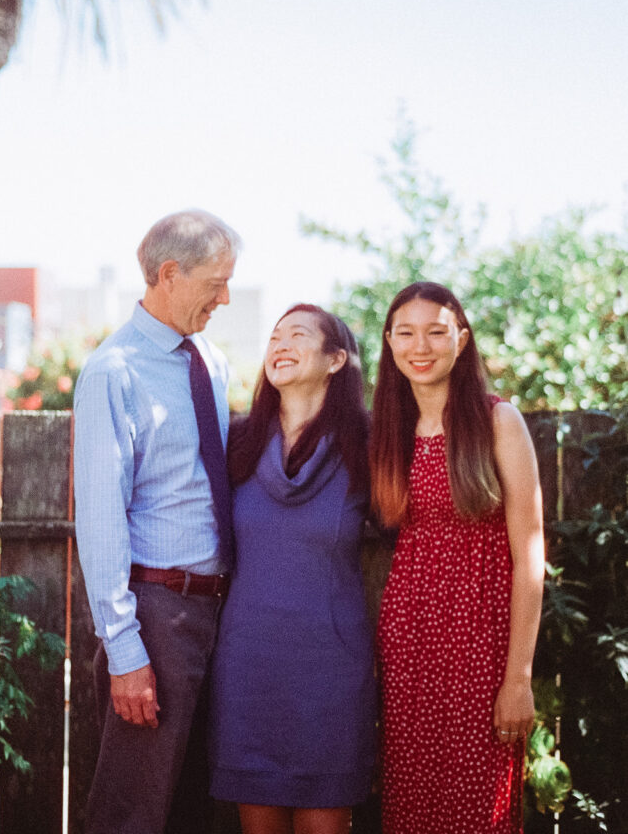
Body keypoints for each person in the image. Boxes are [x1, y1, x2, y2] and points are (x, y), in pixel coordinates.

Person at [73, 208, 241, 834]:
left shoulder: (211, 363)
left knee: (196, 810)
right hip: (156, 614)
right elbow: (99, 519)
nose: (225, 297)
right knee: (132, 814)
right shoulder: (113, 373)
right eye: (215, 283)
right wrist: (125, 651)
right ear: (169, 274)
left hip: (218, 612)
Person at [371, 282, 545, 834]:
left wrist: (518, 675)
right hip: (409, 638)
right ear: (389, 343)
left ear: (461, 340)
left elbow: (531, 553)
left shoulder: (499, 422)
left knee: (478, 803)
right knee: (412, 801)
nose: (420, 345)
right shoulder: (389, 430)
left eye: (436, 331)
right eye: (406, 332)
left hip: (482, 637)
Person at [208, 304, 377, 834]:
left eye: (298, 335)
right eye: (274, 336)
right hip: (249, 665)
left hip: (331, 669)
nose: (279, 343)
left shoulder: (368, 445)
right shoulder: (236, 441)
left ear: (336, 360)